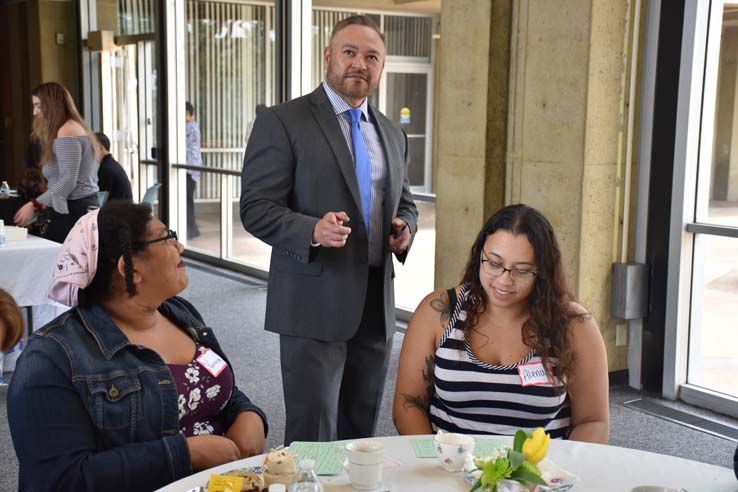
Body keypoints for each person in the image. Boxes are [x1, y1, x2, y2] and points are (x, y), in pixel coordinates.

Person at [240, 15, 418, 444]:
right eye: (350, 52)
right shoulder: (284, 121)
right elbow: (255, 207)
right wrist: (312, 230)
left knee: (360, 431)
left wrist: (404, 227)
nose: (360, 63)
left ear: (381, 66)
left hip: (376, 305)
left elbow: (406, 203)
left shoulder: (392, 134)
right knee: (313, 434)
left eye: (371, 56)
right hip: (312, 301)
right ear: (328, 57)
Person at [8, 202, 268, 491]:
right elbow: (60, 480)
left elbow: (208, 387)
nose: (179, 246)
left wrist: (247, 413)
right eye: (166, 236)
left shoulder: (179, 313)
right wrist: (186, 454)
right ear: (129, 267)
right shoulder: (50, 359)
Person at [393, 204, 610, 443]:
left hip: (541, 473)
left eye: (522, 271)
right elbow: (407, 403)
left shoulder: (573, 325)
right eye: (494, 264)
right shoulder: (438, 312)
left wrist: (559, 475)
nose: (504, 280)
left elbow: (593, 421)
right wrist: (435, 461)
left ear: (543, 272)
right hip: (450, 467)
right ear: (479, 256)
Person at [14, 82, 101, 243]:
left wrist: (34, 204)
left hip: (75, 210)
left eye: (38, 106)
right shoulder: (67, 128)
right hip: (72, 208)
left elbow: (68, 182)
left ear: (52, 104)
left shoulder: (67, 130)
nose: (35, 112)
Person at [94, 132, 133, 201]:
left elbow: (100, 200)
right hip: (125, 208)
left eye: (92, 148)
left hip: (118, 210)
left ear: (100, 148)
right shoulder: (112, 164)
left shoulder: (106, 169)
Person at [185, 102, 202, 239]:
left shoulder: (187, 127)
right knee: (188, 199)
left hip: (188, 168)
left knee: (187, 200)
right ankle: (192, 229)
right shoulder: (194, 126)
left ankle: (191, 230)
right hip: (193, 168)